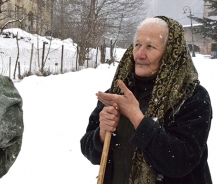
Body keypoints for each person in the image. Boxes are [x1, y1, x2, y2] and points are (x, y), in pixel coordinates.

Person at [80, 16, 213, 184]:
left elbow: (180, 162)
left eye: (150, 47)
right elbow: (88, 150)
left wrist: (137, 118)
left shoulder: (191, 97)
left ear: (171, 53)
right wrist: (100, 134)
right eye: (137, 45)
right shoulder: (118, 93)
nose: (139, 54)